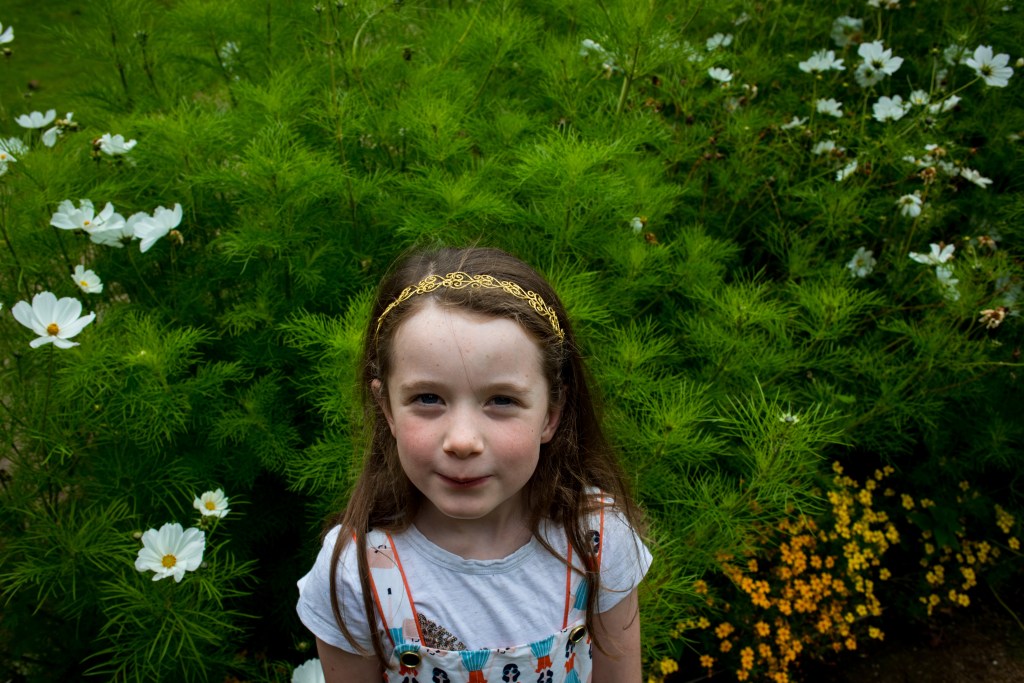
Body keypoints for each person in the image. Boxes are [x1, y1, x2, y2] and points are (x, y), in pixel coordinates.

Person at [296, 246, 652, 682]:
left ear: (551, 413)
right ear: (386, 407)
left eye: (501, 400)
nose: (462, 441)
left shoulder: (596, 540)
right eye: (428, 398)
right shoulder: (356, 573)